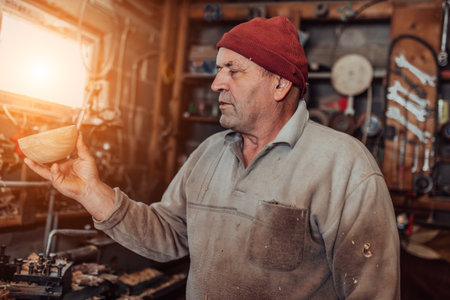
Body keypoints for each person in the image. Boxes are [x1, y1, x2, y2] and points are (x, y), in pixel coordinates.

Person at [25, 16, 400, 299]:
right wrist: (90, 191)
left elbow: (373, 291)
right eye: (218, 69)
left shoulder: (344, 167)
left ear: (280, 84)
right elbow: (167, 236)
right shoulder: (210, 153)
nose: (216, 82)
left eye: (232, 70)